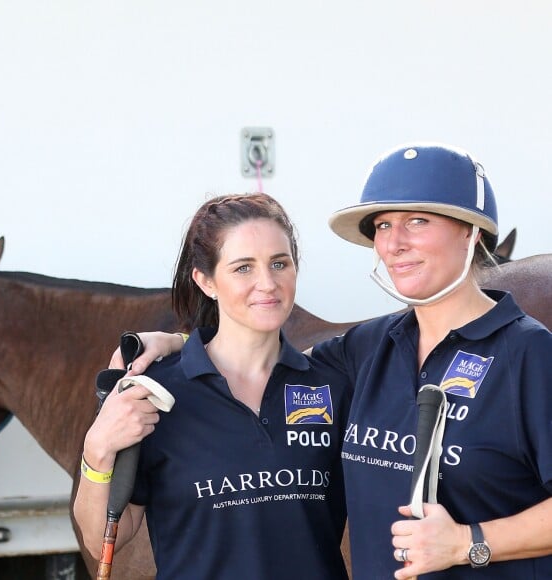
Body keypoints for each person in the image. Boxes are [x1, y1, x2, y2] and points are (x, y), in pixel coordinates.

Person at [114, 143, 552, 579]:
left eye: (418, 221)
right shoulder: (368, 349)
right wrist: (177, 343)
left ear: (471, 233)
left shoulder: (529, 355)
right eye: (383, 225)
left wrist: (468, 544)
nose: (394, 243)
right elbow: (252, 357)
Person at [73, 193, 352, 580]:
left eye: (279, 263)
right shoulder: (156, 393)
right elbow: (101, 539)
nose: (267, 284)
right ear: (206, 281)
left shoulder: (332, 384)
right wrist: (97, 448)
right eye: (243, 268)